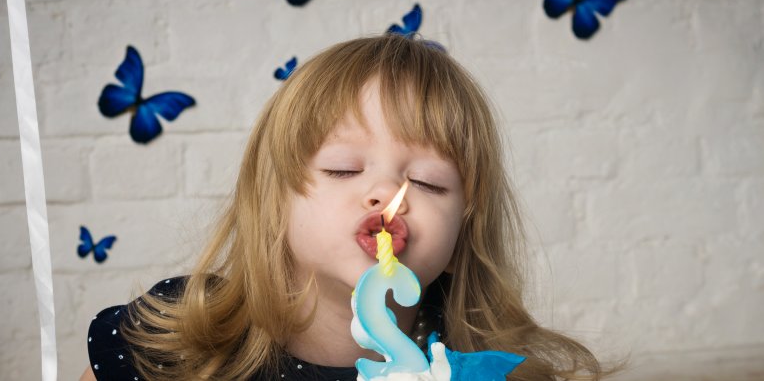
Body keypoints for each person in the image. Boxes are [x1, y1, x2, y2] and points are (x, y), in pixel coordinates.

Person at [81, 34, 608, 381]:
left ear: (460, 241)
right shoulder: (174, 336)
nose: (386, 194)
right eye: (341, 169)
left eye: (427, 182)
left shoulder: (479, 369)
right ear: (273, 203)